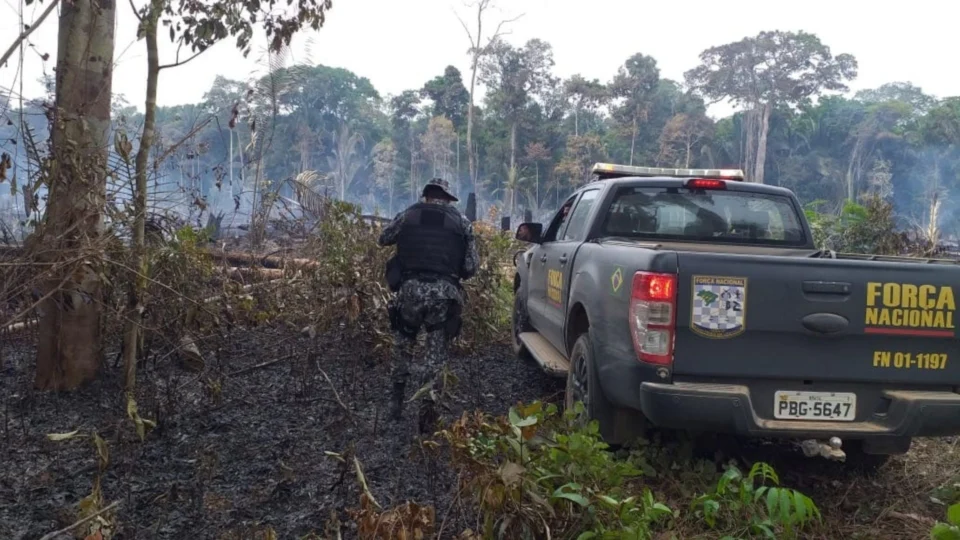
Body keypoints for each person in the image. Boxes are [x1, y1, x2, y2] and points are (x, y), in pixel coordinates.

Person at [377, 178, 479, 428]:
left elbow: (384, 238)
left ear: (426, 195)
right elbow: (471, 266)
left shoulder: (408, 215)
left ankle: (395, 406)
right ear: (446, 198)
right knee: (434, 357)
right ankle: (427, 415)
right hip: (443, 296)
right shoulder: (461, 222)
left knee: (403, 347)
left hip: (409, 292)